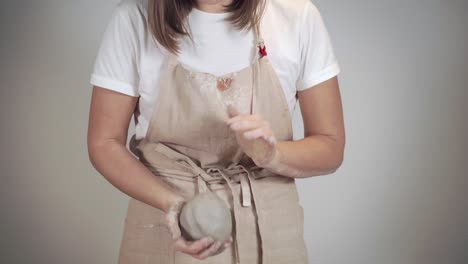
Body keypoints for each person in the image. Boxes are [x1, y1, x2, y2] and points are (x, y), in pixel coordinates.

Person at [87, 0, 345, 263]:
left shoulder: (297, 17)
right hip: (165, 228)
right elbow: (104, 142)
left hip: (272, 233)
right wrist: (174, 205)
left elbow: (330, 146)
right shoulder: (134, 20)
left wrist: (272, 154)